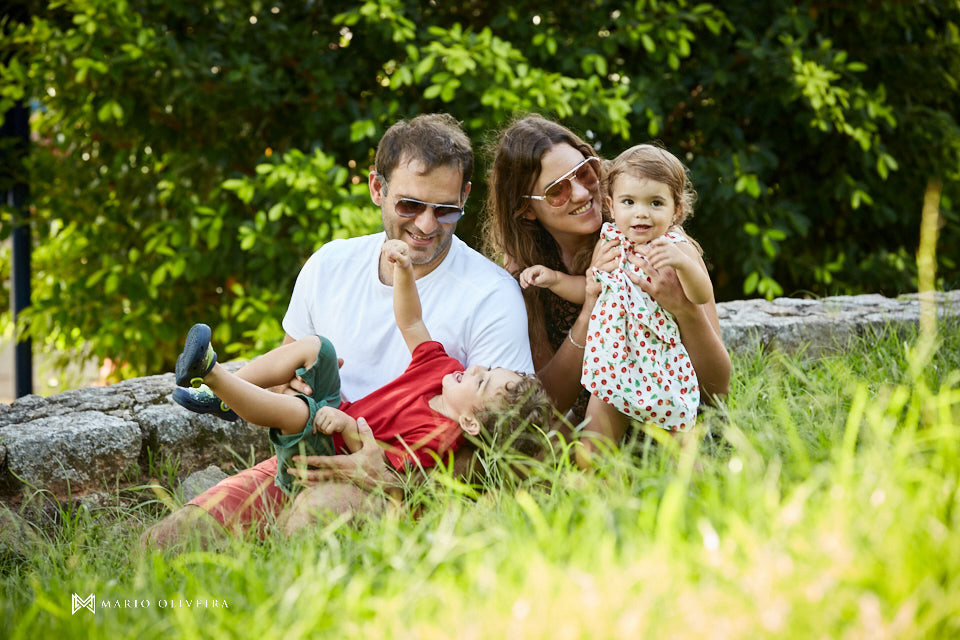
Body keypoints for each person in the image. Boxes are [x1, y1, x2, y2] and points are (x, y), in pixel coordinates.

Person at [142, 113, 535, 549]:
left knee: (308, 523)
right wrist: (297, 394)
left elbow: (499, 454)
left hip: (402, 492)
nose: (426, 225)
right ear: (377, 189)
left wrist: (391, 477)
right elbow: (287, 376)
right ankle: (216, 387)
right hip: (311, 455)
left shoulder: (491, 295)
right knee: (165, 542)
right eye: (409, 206)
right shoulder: (330, 264)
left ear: (465, 196)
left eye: (445, 210)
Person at [173, 240, 550, 495]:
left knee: (300, 411)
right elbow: (412, 322)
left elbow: (375, 462)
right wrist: (404, 270)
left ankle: (212, 373)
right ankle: (220, 399)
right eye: (485, 369)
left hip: (326, 452)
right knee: (317, 347)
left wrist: (346, 426)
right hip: (337, 413)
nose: (476, 368)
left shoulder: (438, 440)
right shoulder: (442, 368)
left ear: (470, 422)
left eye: (481, 382)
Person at [481, 114, 730, 430]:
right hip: (601, 418)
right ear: (526, 209)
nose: (581, 193)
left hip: (673, 413)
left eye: (584, 172)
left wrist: (684, 309)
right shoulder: (530, 272)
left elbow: (717, 391)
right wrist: (589, 307)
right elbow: (546, 407)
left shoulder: (656, 241)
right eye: (557, 190)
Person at [518, 144, 714, 455]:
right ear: (611, 204)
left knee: (680, 451)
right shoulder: (610, 241)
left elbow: (700, 295)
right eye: (629, 202)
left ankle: (696, 481)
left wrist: (684, 264)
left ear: (676, 209)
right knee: (591, 450)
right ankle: (595, 483)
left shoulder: (674, 246)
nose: (641, 213)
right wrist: (554, 280)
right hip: (613, 364)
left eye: (655, 203)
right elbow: (593, 288)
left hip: (661, 365)